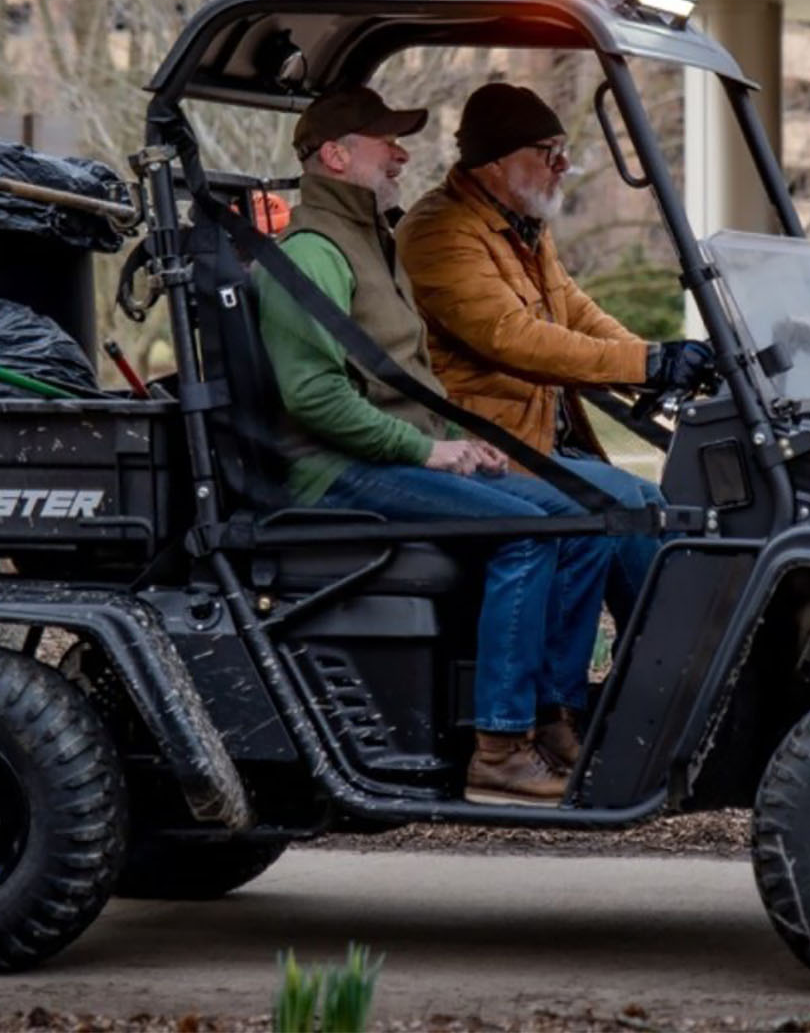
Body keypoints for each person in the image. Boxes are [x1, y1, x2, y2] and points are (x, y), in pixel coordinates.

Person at [254, 85, 628, 806]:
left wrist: (459, 440)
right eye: (384, 141)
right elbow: (315, 398)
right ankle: (499, 750)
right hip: (338, 471)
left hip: (391, 455)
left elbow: (408, 377)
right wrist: (428, 452)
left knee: (584, 519)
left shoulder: (373, 241)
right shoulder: (315, 251)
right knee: (528, 531)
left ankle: (554, 720)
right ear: (336, 154)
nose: (402, 154)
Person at [395, 82, 713, 624]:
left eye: (562, 150)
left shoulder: (523, 229)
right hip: (489, 445)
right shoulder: (440, 232)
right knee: (634, 510)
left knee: (656, 502)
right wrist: (646, 365)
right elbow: (509, 335)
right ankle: (653, 681)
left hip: (539, 438)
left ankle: (651, 674)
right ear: (495, 162)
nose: (564, 165)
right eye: (548, 153)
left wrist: (659, 358)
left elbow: (578, 313)